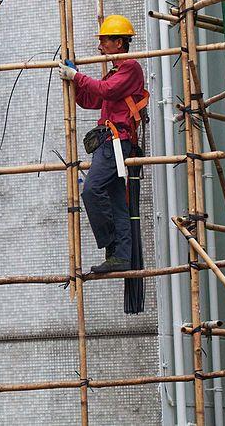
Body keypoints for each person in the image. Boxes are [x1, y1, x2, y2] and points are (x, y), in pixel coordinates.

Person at [59, 15, 148, 274]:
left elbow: (106, 90)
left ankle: (110, 243)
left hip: (116, 142)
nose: (100, 47)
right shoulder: (115, 72)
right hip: (109, 142)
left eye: (105, 42)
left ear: (119, 42)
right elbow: (92, 100)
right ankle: (120, 255)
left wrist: (77, 75)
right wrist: (74, 82)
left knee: (91, 191)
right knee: (117, 202)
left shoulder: (131, 68)